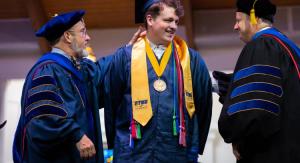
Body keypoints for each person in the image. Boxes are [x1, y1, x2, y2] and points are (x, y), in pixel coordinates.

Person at [103, 0, 212, 162]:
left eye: (176, 21)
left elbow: (203, 105)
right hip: (133, 152)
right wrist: (117, 142)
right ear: (150, 20)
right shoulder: (125, 57)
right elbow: (111, 101)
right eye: (168, 20)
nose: (174, 26)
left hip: (176, 151)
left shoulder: (190, 59)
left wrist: (194, 144)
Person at [13, 10, 105, 163]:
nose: (88, 37)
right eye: (83, 32)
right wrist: (77, 134)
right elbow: (44, 115)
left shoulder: (75, 68)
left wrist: (128, 53)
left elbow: (102, 72)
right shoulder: (47, 69)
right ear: (68, 36)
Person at [217, 0, 300, 162]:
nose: (235, 26)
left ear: (254, 19)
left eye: (238, 20)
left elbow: (256, 107)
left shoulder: (263, 45)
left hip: (270, 153)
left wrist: (240, 140)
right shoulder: (291, 49)